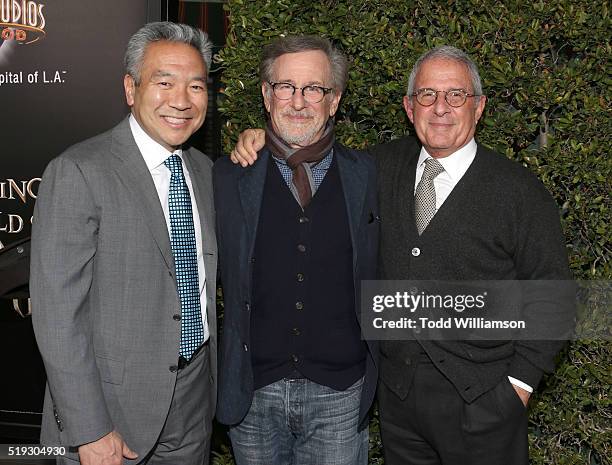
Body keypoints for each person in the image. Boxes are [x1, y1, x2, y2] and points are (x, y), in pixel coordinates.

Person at [230, 45, 573, 465]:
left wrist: (517, 387)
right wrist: (262, 139)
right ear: (410, 108)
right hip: (398, 406)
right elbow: (307, 150)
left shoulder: (518, 191)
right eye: (427, 95)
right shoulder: (377, 167)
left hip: (484, 400)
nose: (441, 108)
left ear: (479, 107)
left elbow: (555, 297)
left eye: (456, 95)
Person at [30, 22, 217, 465]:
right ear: (131, 89)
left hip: (194, 402)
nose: (181, 100)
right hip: (110, 414)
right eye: (164, 82)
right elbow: (57, 315)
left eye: (196, 85)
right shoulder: (79, 170)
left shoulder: (207, 172)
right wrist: (89, 429)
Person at [213, 35, 379, 465]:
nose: (299, 101)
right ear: (267, 96)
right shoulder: (228, 176)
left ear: (334, 99)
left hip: (340, 394)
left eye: (314, 89)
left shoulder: (369, 176)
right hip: (253, 393)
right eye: (286, 86)